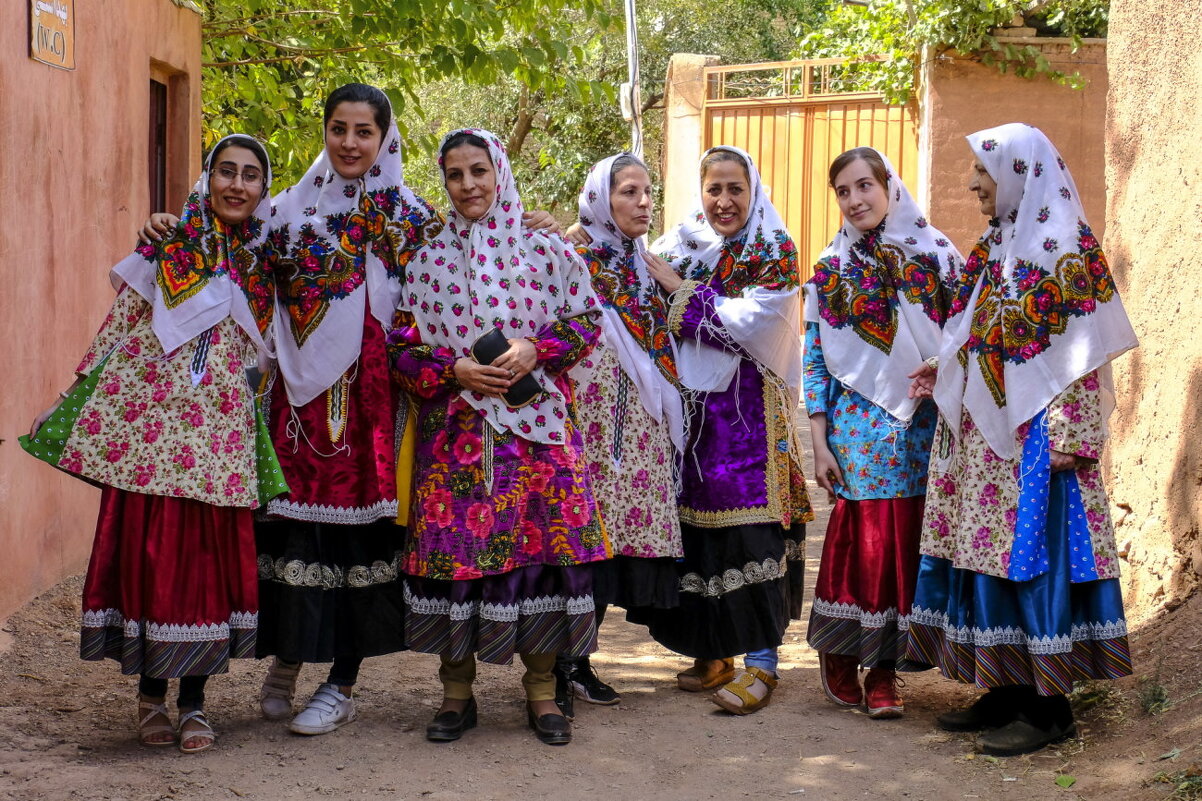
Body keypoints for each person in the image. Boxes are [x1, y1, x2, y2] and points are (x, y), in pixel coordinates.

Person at [138, 86, 564, 736]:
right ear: (326, 131)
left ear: (384, 138)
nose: (349, 142)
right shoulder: (288, 209)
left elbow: (473, 248)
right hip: (294, 408)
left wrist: (541, 224)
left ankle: (341, 682)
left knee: (360, 544)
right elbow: (228, 240)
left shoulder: (411, 217)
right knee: (288, 536)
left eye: (364, 131)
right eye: (339, 128)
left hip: (374, 410)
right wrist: (171, 225)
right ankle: (286, 662)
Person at [22, 135, 285, 753]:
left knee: (204, 567)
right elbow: (122, 321)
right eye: (227, 172)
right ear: (208, 177)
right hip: (153, 435)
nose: (237, 185)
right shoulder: (169, 244)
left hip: (218, 441)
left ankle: (194, 703)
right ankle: (150, 698)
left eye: (251, 176)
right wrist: (73, 392)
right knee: (153, 558)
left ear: (263, 189)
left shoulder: (267, 260)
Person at [905, 123, 1138, 756]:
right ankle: (1006, 685)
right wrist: (944, 367)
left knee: (1034, 557)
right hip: (985, 440)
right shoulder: (998, 245)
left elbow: (1084, 353)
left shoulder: (1065, 247)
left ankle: (1047, 706)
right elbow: (973, 330)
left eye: (984, 171)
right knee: (986, 556)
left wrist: (1074, 435)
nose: (973, 184)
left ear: (1018, 171)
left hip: (1040, 441)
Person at [388, 128, 606, 746]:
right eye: (454, 175)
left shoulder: (548, 253)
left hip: (536, 438)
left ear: (499, 171)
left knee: (540, 557)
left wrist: (536, 347)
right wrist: (451, 370)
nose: (467, 186)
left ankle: (542, 693)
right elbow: (401, 348)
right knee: (458, 561)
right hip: (456, 439)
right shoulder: (426, 262)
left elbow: (587, 321)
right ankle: (457, 695)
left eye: (478, 171)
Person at [632, 145, 812, 715]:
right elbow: (623, 273)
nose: (725, 201)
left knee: (750, 531)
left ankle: (762, 664)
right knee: (697, 536)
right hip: (690, 420)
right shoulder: (681, 245)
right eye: (715, 189)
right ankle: (713, 651)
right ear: (700, 191)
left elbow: (758, 327)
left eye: (736, 189)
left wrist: (680, 294)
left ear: (752, 191)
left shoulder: (772, 248)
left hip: (749, 423)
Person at [803, 147, 960, 718]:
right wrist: (819, 443)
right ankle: (844, 651)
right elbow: (817, 360)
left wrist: (942, 369)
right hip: (856, 430)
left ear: (888, 185)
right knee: (862, 543)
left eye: (864, 185)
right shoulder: (829, 269)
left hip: (922, 424)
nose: (855, 200)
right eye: (843, 192)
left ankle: (886, 670)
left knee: (907, 544)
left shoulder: (937, 256)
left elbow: (964, 337)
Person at [555, 153, 684, 715]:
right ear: (600, 198)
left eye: (648, 192)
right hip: (585, 428)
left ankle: (580, 660)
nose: (643, 203)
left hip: (635, 436)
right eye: (628, 192)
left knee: (610, 553)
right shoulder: (569, 254)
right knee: (579, 544)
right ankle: (558, 663)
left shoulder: (642, 262)